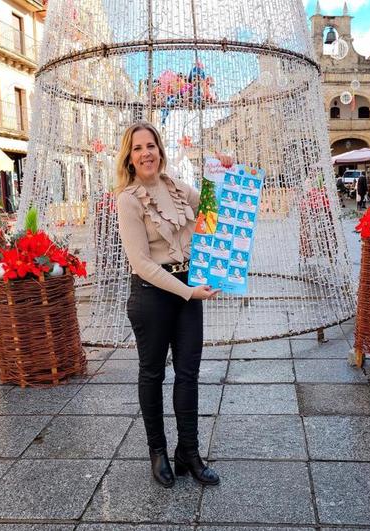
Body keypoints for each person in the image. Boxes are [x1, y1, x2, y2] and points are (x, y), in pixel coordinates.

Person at [116, 121, 230, 488]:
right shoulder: (128, 200)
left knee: (188, 374)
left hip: (188, 288)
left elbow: (215, 214)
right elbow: (141, 263)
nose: (146, 152)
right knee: (152, 374)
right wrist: (188, 292)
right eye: (138, 148)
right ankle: (158, 452)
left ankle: (189, 453)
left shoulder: (180, 189)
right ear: (130, 158)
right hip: (152, 295)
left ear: (161, 151)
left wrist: (223, 173)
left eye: (151, 145)